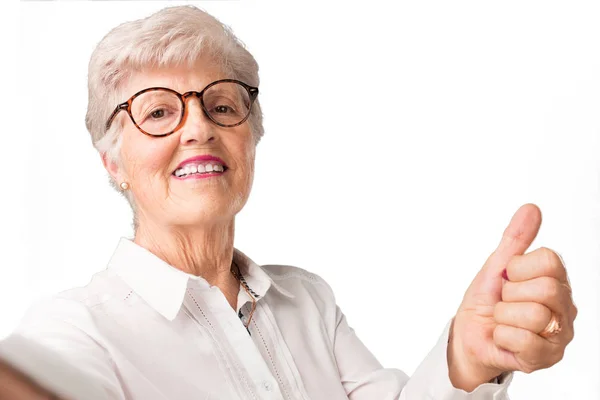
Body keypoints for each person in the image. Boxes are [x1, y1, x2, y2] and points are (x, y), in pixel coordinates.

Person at [1, 5, 577, 399]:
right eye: (158, 112)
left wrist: (470, 360)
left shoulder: (307, 301)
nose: (198, 128)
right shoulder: (74, 331)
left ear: (251, 136)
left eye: (222, 105)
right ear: (112, 162)